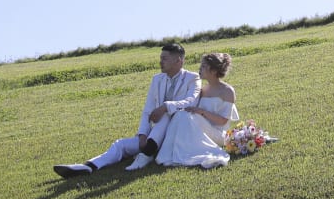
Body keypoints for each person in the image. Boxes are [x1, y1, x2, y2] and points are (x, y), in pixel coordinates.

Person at [53, 42, 201, 177]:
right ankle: (88, 166)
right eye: (160, 58)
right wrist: (142, 134)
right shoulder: (157, 79)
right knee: (120, 145)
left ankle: (146, 154)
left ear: (178, 61)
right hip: (153, 136)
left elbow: (190, 102)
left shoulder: (193, 78)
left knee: (168, 114)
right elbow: (148, 109)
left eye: (165, 58)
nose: (160, 61)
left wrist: (165, 106)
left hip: (177, 133)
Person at [154, 51, 238, 169]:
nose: (200, 69)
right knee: (181, 114)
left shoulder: (227, 91)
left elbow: (223, 121)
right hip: (201, 129)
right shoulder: (202, 90)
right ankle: (170, 152)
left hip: (219, 134)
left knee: (184, 115)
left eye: (203, 66)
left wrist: (201, 112)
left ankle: (180, 154)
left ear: (213, 71)